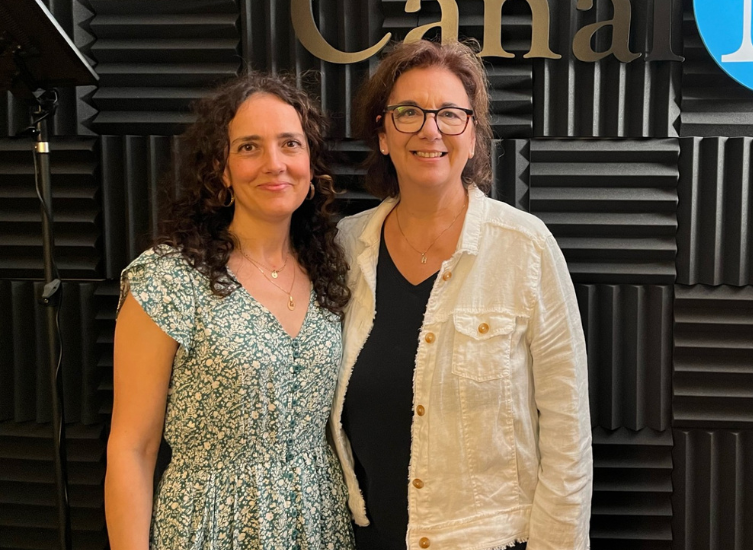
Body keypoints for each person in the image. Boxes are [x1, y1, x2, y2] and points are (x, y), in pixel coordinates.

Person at [331, 39, 592, 550]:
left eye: (450, 114)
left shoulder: (525, 247)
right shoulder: (344, 248)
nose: (430, 129)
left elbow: (567, 429)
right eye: (408, 112)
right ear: (382, 134)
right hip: (366, 536)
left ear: (473, 137)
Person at [105, 73, 355, 549]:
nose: (274, 164)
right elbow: (132, 450)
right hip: (211, 524)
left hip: (319, 520)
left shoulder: (331, 271)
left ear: (311, 163)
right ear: (221, 169)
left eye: (290, 144)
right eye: (249, 148)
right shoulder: (169, 279)